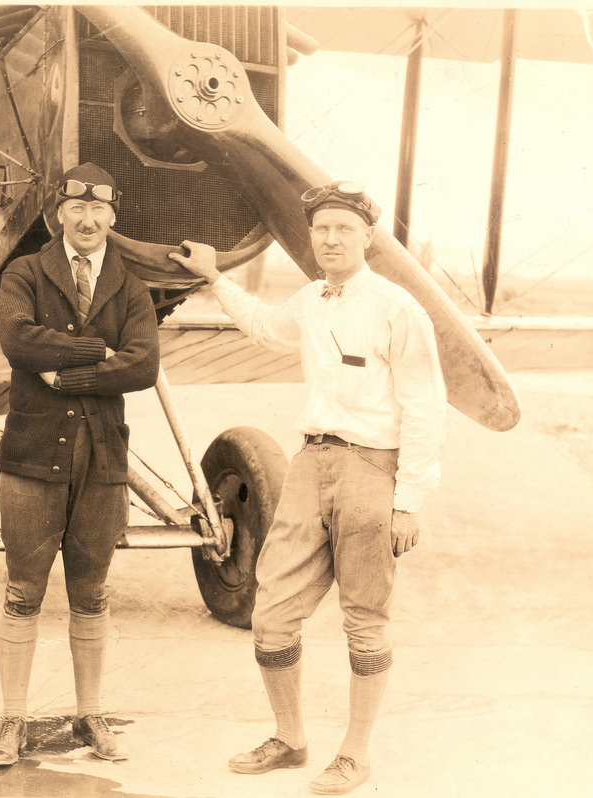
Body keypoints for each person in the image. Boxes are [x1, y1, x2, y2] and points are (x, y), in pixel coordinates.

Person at [169, 181, 447, 795]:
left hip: (373, 469)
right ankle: (290, 738)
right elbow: (268, 328)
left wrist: (408, 502)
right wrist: (216, 278)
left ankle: (355, 754)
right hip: (308, 464)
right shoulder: (314, 300)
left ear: (367, 237)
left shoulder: (397, 308)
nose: (329, 238)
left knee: (365, 623)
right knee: (270, 614)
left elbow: (426, 408)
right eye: (321, 229)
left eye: (343, 229)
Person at [0, 162, 160, 766]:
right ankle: (12, 721)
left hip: (102, 462)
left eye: (100, 209)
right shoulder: (25, 272)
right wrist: (97, 350)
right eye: (76, 209)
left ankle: (90, 716)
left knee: (91, 594)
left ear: (114, 215)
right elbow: (17, 341)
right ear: (58, 212)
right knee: (22, 593)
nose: (88, 220)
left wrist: (65, 370)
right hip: (32, 458)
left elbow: (143, 366)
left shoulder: (131, 287)